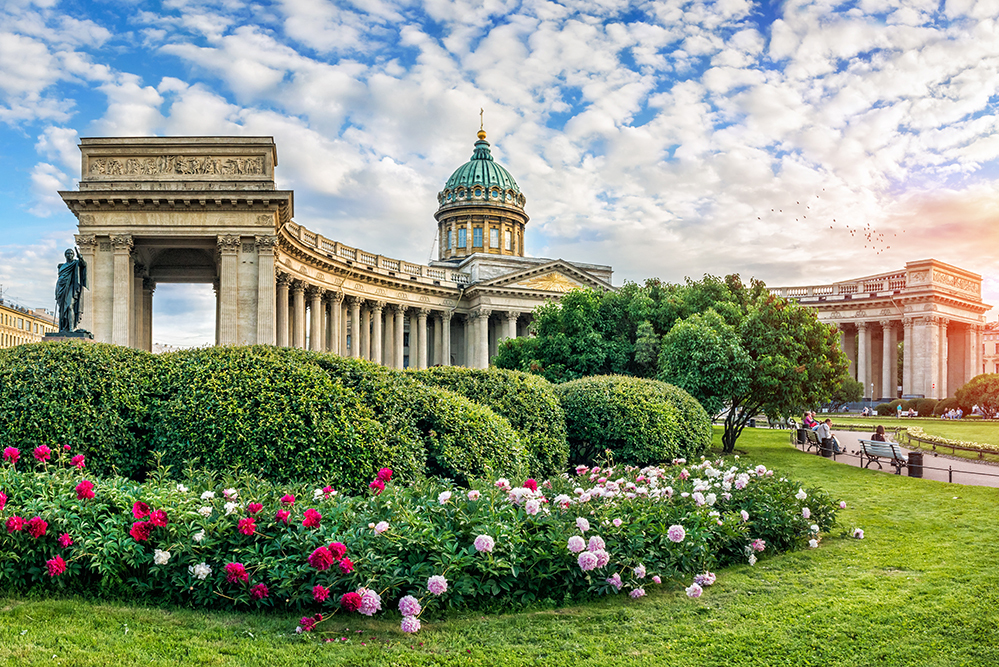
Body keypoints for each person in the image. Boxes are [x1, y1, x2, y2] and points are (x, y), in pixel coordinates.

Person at [55, 247, 88, 332]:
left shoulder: (75, 263)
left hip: (71, 287)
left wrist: (80, 258)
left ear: (73, 255)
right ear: (65, 255)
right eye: (68, 253)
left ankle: (71, 328)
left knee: (70, 306)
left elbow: (83, 264)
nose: (69, 255)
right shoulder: (62, 266)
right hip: (61, 287)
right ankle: (64, 327)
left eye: (71, 253)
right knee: (62, 309)